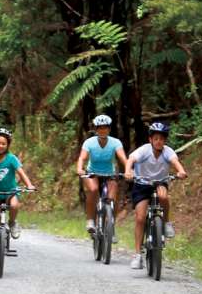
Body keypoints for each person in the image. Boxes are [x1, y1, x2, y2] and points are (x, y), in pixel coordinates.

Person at [123, 120, 187, 270]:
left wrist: (181, 171)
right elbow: (131, 159)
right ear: (150, 139)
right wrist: (128, 171)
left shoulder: (167, 152)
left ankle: (166, 223)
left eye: (162, 139)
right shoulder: (144, 150)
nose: (159, 142)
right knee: (140, 218)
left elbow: (175, 162)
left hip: (160, 182)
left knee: (164, 197)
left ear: (165, 140)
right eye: (156, 138)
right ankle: (138, 255)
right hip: (141, 185)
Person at [0, 128, 37, 266]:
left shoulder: (11, 159)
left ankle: (12, 222)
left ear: (8, 145)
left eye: (3, 143)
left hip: (11, 192)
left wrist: (29, 185)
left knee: (15, 205)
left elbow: (21, 173)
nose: (0, 146)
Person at [73, 114, 128, 235]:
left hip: (109, 174)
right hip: (92, 173)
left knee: (112, 200)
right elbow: (82, 158)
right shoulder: (89, 142)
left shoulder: (115, 142)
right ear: (96, 129)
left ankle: (111, 226)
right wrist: (79, 168)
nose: (103, 130)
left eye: (105, 127)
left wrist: (129, 170)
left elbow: (123, 158)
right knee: (93, 190)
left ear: (109, 129)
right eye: (100, 128)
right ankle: (90, 220)